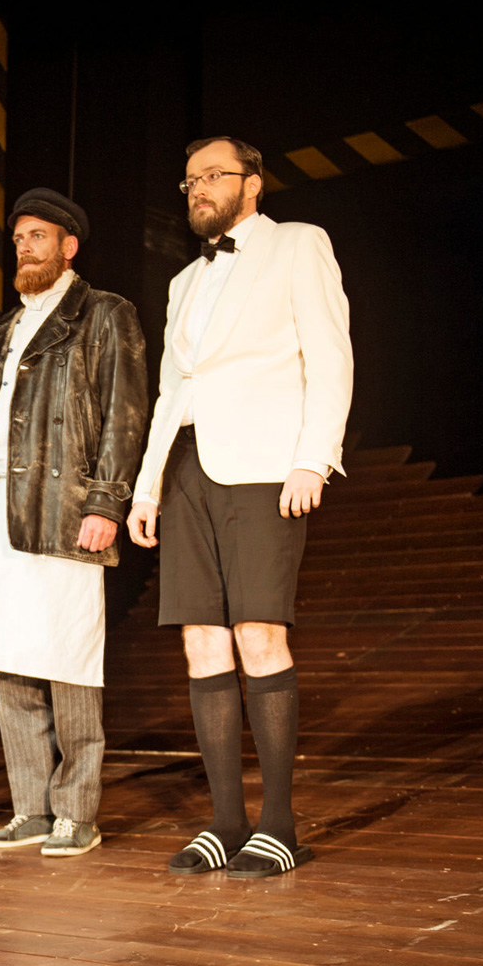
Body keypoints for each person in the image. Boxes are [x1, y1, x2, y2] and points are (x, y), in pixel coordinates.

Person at [126, 136, 353, 879]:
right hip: (188, 467)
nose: (198, 188)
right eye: (190, 179)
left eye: (214, 175)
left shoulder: (298, 244)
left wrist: (312, 458)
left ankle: (278, 824)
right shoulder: (184, 282)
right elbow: (172, 391)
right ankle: (226, 821)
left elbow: (331, 356)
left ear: (252, 183)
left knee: (258, 633)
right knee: (202, 641)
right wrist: (148, 485)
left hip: (263, 466)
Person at [0, 189, 145, 857]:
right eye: (19, 239)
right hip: (0, 514)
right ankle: (30, 807)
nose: (25, 248)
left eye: (38, 236)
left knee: (69, 659)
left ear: (69, 246)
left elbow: (124, 414)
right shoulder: (5, 328)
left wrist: (106, 502)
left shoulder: (105, 313)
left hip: (65, 509)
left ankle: (76, 812)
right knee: (7, 663)